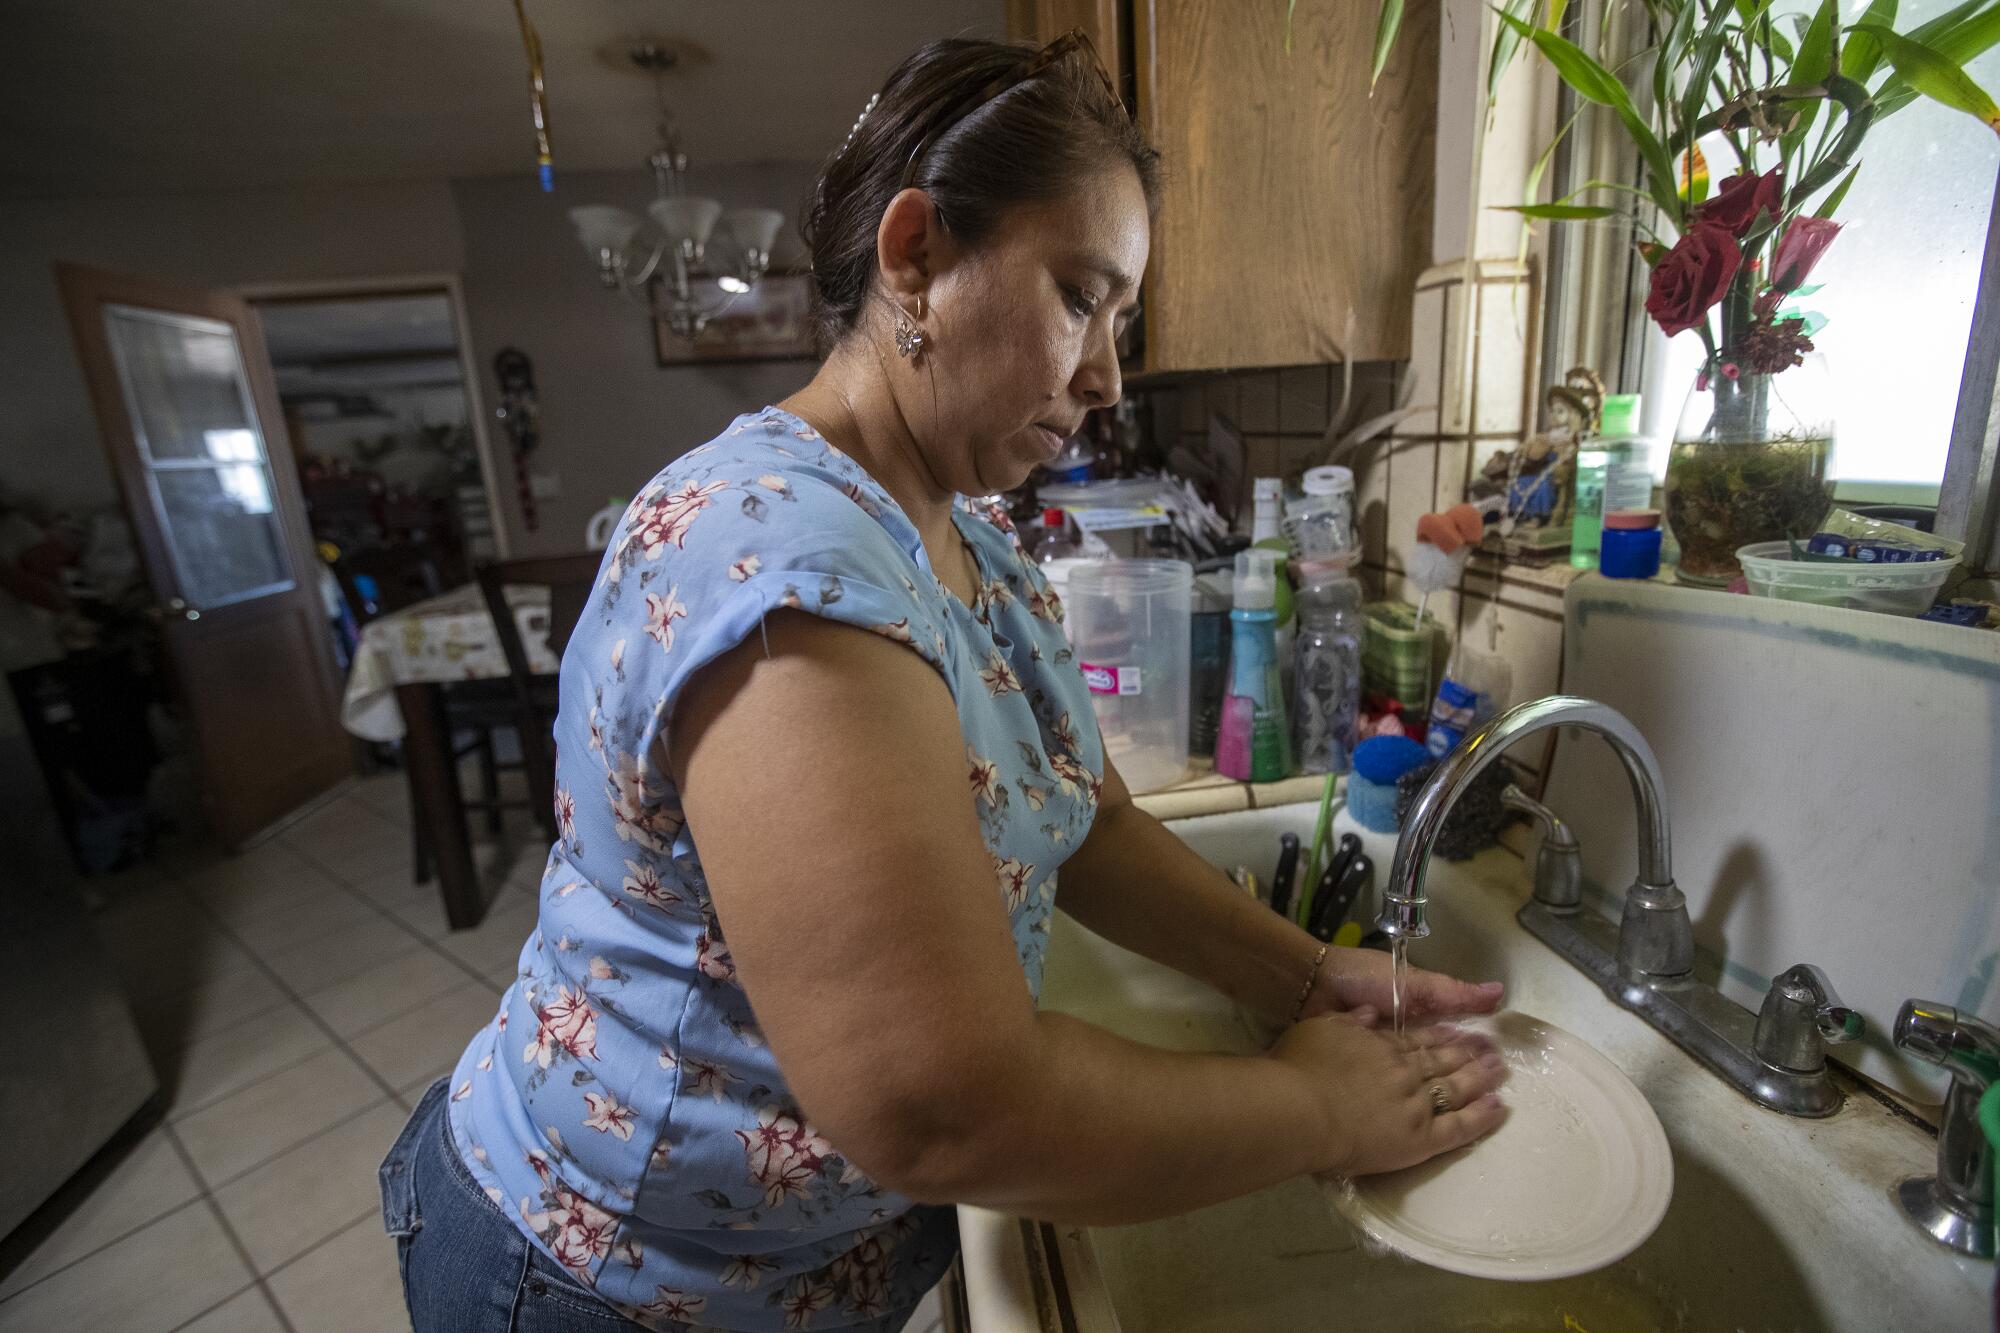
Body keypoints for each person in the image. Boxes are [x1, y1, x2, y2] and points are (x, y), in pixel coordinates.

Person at [381, 31, 1507, 1333]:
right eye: (1083, 297)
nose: (1107, 378)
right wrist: (1324, 1108)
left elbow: (1092, 825)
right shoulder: (780, 558)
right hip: (607, 1286)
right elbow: (942, 1100)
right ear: (916, 255)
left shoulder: (969, 536)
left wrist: (1304, 977)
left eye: (1122, 321)